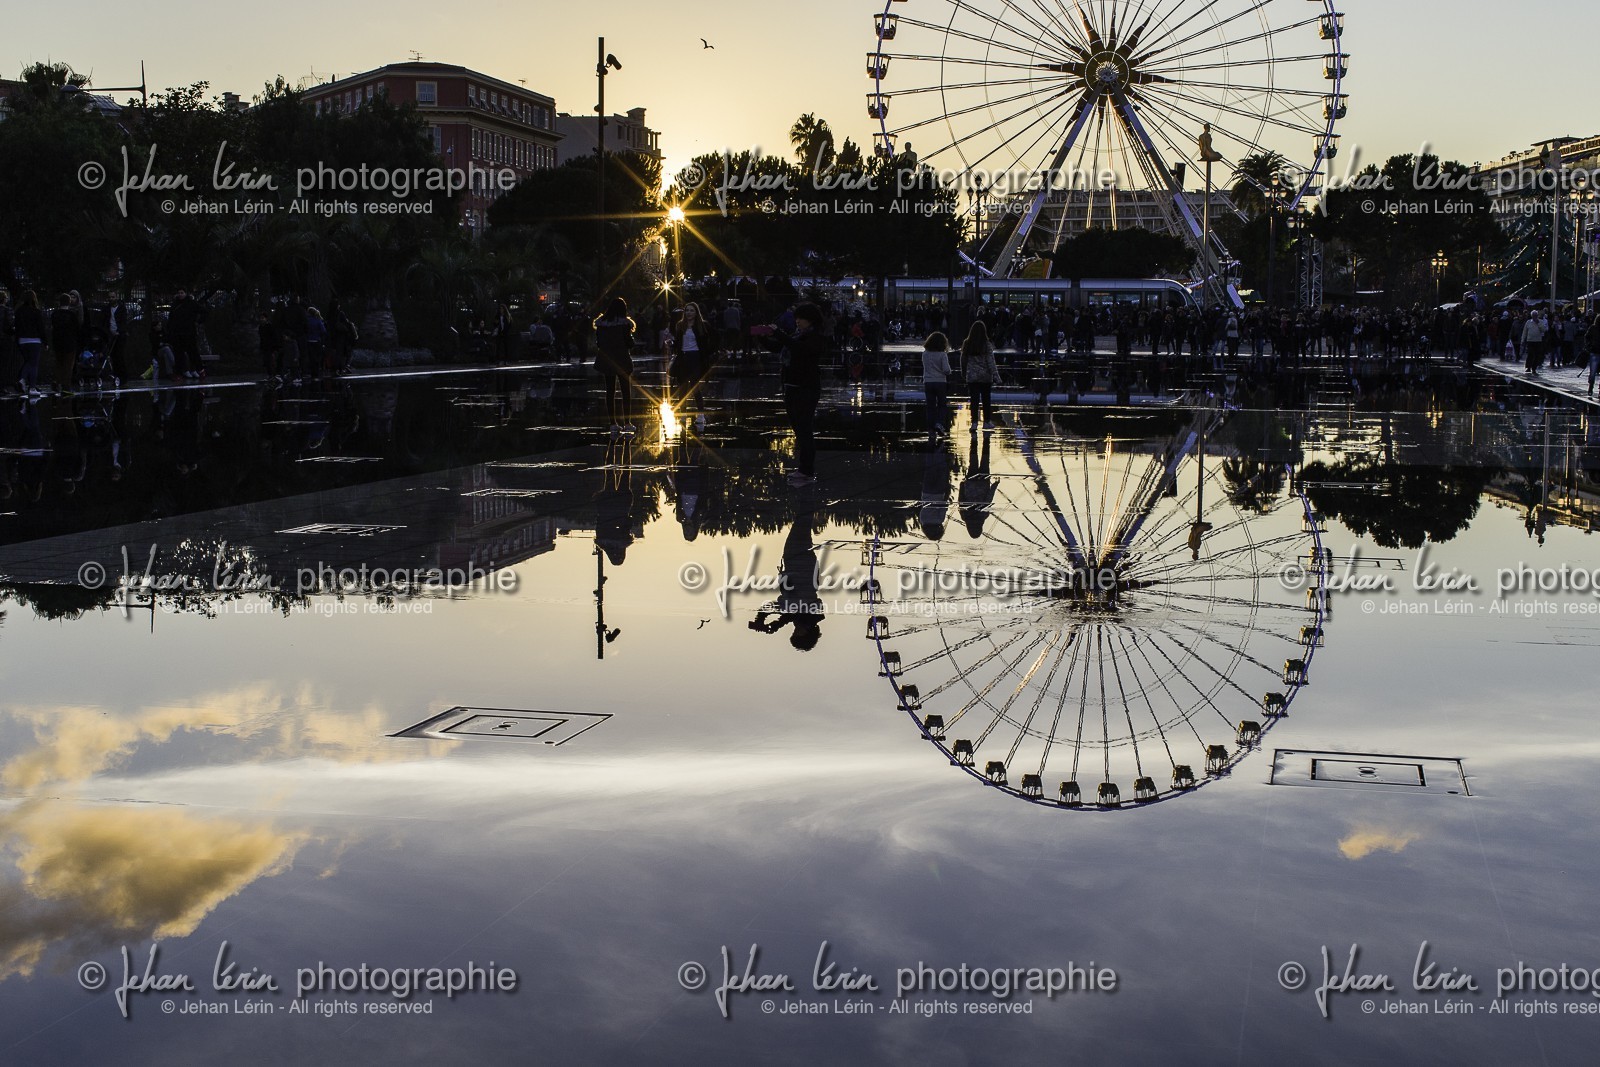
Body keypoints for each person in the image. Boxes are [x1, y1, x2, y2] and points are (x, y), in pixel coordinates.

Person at [748, 510, 824, 652]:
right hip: (800, 565)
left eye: (794, 633)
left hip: (797, 564)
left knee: (802, 523)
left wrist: (765, 621)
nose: (796, 630)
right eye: (799, 633)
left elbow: (778, 610)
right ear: (808, 634)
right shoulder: (812, 617)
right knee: (802, 522)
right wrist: (773, 623)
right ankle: (806, 493)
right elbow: (790, 612)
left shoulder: (804, 617)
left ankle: (806, 495)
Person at [593, 297, 638, 431]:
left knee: (610, 391)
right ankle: (627, 423)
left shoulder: (601, 324)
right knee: (625, 391)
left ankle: (613, 423)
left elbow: (598, 343)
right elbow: (629, 343)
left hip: (606, 360)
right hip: (622, 359)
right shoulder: (625, 325)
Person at [670, 303, 719, 420]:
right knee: (682, 386)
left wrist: (707, 352)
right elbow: (678, 343)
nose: (689, 313)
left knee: (695, 386)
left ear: (696, 312)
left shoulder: (703, 325)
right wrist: (672, 344)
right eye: (687, 311)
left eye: (692, 311)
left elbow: (716, 338)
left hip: (696, 357)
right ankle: (682, 413)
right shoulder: (680, 325)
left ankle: (701, 414)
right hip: (683, 357)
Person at [961, 322, 998, 430]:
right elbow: (991, 362)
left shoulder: (967, 343)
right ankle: (987, 421)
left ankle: (974, 422)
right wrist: (996, 375)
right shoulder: (987, 344)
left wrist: (964, 373)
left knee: (974, 400)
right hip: (985, 377)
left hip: (972, 376)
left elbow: (963, 360)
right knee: (986, 399)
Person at [13, 291, 45, 396]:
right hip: (34, 340)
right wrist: (45, 341)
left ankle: (27, 383)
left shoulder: (19, 312)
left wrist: (17, 340)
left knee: (28, 362)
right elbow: (41, 328)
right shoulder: (36, 312)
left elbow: (16, 327)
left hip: (22, 340)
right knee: (33, 363)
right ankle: (28, 384)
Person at [922, 331, 952, 438]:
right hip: (940, 382)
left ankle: (930, 428)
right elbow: (946, 370)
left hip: (928, 381)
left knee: (930, 406)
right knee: (941, 405)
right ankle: (939, 423)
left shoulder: (925, 354)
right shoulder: (942, 355)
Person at [49, 293, 80, 394]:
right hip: (70, 342)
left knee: (59, 363)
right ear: (69, 302)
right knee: (68, 365)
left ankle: (56, 381)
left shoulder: (55, 314)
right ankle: (66, 386)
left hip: (57, 342)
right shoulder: (72, 315)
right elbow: (76, 329)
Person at [1586, 316, 1600, 397]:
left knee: (1593, 372)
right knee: (1593, 372)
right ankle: (1593, 388)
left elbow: (1587, 337)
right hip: (1594, 351)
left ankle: (1590, 388)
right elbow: (1587, 337)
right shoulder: (1593, 328)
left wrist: (1589, 345)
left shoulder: (1593, 328)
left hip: (1594, 352)